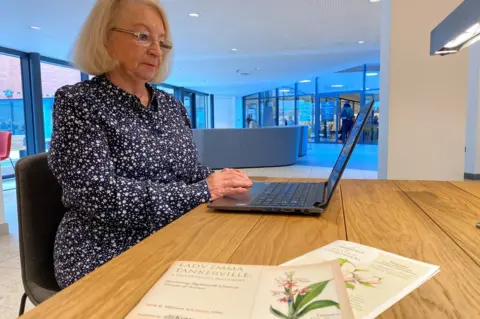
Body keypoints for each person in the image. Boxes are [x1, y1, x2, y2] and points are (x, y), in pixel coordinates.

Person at [48, 0, 252, 289]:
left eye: (162, 42)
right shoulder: (78, 102)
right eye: (142, 36)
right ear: (105, 37)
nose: (156, 50)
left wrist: (221, 177)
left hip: (174, 232)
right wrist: (202, 190)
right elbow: (101, 196)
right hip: (104, 250)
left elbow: (185, 171)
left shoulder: (171, 105)